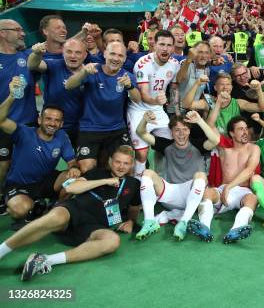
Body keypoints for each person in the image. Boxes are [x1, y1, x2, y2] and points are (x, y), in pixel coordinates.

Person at [0, 146, 141, 282]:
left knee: (112, 241)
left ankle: (46, 260)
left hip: (94, 226)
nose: (121, 166)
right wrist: (105, 181)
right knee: (56, 217)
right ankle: (2, 250)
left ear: (132, 165)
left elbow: (134, 209)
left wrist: (131, 221)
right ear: (111, 161)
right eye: (118, 162)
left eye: (126, 163)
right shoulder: (97, 173)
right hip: (73, 211)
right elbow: (71, 187)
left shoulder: (134, 184)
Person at [0, 80, 80, 222]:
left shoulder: (61, 136)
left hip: (45, 182)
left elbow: (71, 161)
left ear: (61, 124)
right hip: (19, 184)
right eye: (48, 119)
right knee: (20, 210)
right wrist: (12, 96)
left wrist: (74, 168)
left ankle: (54, 206)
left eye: (56, 120)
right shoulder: (23, 132)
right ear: (39, 120)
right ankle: (28, 204)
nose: (52, 123)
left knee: (74, 178)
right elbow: (1, 120)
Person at [135, 111, 219, 241]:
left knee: (201, 175)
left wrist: (199, 121)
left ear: (189, 131)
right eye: (177, 130)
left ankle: (183, 222)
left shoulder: (198, 145)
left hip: (192, 194)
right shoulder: (166, 145)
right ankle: (149, 221)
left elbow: (215, 140)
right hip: (171, 195)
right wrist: (144, 120)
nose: (181, 134)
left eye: (185, 129)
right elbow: (141, 132)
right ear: (171, 132)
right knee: (147, 173)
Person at [66, 42, 141, 172]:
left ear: (124, 59)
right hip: (90, 128)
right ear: (105, 54)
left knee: (128, 166)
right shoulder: (92, 70)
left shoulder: (127, 76)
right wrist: (83, 72)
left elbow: (137, 99)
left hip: (116, 129)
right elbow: (69, 85)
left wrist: (130, 87)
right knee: (86, 168)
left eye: (120, 55)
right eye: (112, 54)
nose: (116, 58)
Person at [195, 116, 260, 243]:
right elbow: (211, 125)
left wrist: (229, 187)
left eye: (246, 128)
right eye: (241, 129)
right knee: (207, 193)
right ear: (232, 133)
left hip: (243, 191)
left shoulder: (254, 148)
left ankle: (236, 230)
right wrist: (217, 103)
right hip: (223, 190)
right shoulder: (224, 150)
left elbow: (249, 170)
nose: (245, 132)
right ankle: (204, 228)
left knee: (253, 199)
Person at [127, 30, 181, 176]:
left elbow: (174, 88)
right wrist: (156, 100)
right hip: (139, 110)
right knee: (142, 155)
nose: (165, 48)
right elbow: (144, 94)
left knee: (168, 148)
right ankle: (137, 184)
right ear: (154, 45)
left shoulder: (175, 64)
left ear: (173, 47)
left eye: (169, 45)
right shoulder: (143, 64)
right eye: (162, 44)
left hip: (158, 111)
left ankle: (160, 180)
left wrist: (176, 112)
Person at [0, 19, 37, 213]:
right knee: (3, 166)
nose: (23, 33)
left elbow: (59, 45)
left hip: (29, 123)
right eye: (17, 30)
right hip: (3, 123)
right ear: (3, 33)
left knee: (27, 163)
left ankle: (27, 196)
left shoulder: (28, 57)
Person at [27, 39, 87, 147]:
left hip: (81, 128)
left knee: (82, 162)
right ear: (63, 52)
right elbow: (32, 65)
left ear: (85, 55)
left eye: (78, 52)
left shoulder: (91, 71)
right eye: (69, 51)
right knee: (44, 161)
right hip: (53, 125)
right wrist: (36, 53)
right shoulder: (54, 65)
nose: (73, 56)